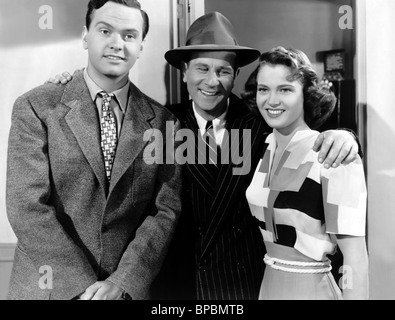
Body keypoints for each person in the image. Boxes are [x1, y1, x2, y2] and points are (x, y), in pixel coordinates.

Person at [49, 12, 361, 300]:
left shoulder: (261, 124)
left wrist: (344, 136)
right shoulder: (158, 124)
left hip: (245, 286)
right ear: (184, 72)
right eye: (202, 68)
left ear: (235, 75)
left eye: (223, 71)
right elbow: (104, 156)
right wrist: (73, 87)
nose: (212, 82)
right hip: (178, 286)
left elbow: (302, 135)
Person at [6, 0, 182, 300]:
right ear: (86, 36)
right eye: (105, 31)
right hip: (48, 289)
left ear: (140, 46)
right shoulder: (37, 107)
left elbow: (164, 209)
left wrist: (123, 281)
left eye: (129, 35)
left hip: (123, 292)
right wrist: (83, 287)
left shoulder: (164, 122)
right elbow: (27, 206)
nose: (117, 44)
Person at [243, 46, 368, 300]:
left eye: (285, 89)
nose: (272, 100)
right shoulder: (261, 147)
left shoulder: (333, 155)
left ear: (306, 95)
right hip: (267, 288)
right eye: (263, 89)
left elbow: (356, 258)